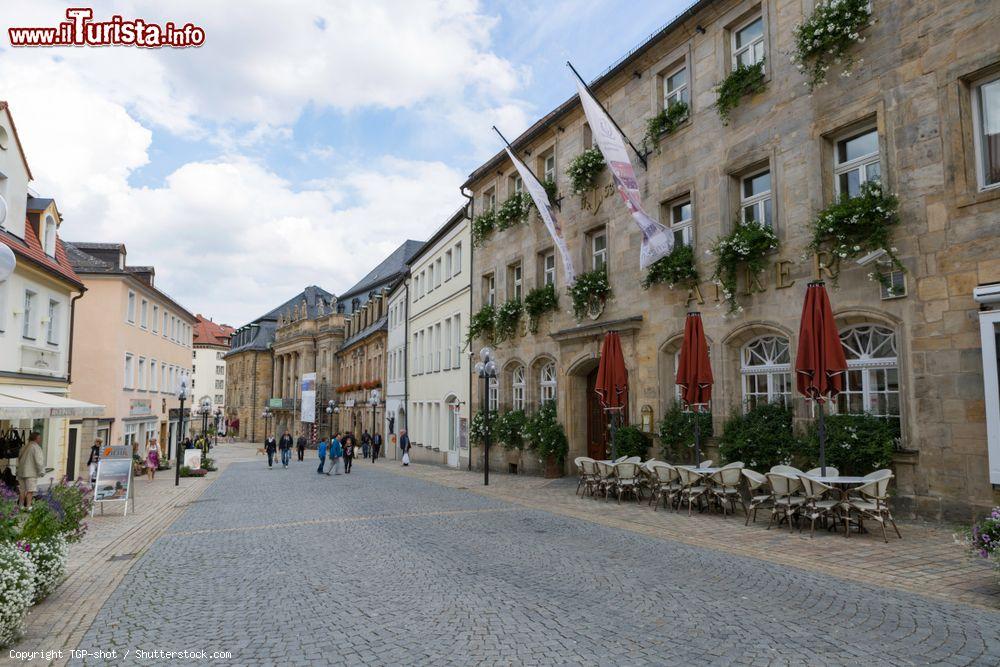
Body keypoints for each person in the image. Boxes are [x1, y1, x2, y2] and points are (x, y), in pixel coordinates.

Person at [16, 432, 45, 508]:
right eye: (39, 438)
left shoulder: (24, 447)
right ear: (36, 439)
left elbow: (19, 459)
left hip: (21, 472)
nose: (40, 440)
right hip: (30, 473)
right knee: (30, 490)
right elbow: (39, 461)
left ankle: (20, 506)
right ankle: (28, 506)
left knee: (22, 490)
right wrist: (41, 471)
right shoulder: (36, 447)